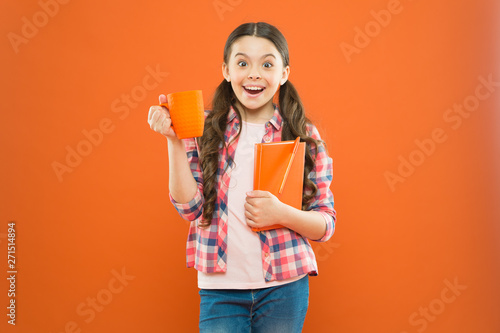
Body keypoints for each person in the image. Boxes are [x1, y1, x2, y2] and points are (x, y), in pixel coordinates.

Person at [148, 22, 336, 333]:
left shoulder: (303, 136)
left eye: (267, 63)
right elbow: (190, 209)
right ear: (226, 70)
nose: (253, 73)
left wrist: (281, 214)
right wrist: (174, 140)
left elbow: (325, 224)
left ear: (284, 73)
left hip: (285, 288)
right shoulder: (204, 128)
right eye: (242, 63)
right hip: (219, 290)